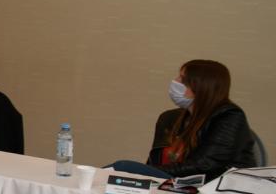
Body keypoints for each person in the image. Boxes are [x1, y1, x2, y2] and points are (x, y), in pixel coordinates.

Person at [109, 60, 256, 181]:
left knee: (122, 167)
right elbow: (155, 160)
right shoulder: (169, 118)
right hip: (173, 184)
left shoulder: (229, 116)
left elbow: (204, 165)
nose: (175, 82)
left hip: (212, 189)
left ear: (202, 86)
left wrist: (148, 172)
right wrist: (149, 173)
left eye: (183, 79)